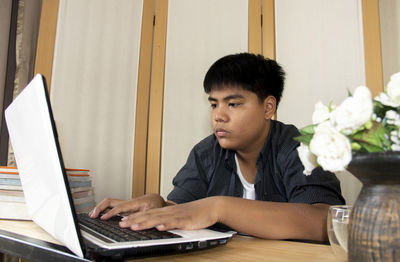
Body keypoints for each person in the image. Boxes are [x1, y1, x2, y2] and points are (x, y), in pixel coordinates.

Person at [89, 53, 345, 242]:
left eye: (232, 104)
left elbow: (326, 221)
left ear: (268, 107)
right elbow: (184, 212)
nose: (218, 116)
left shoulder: (301, 149)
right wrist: (160, 205)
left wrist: (219, 208)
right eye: (214, 104)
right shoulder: (205, 153)